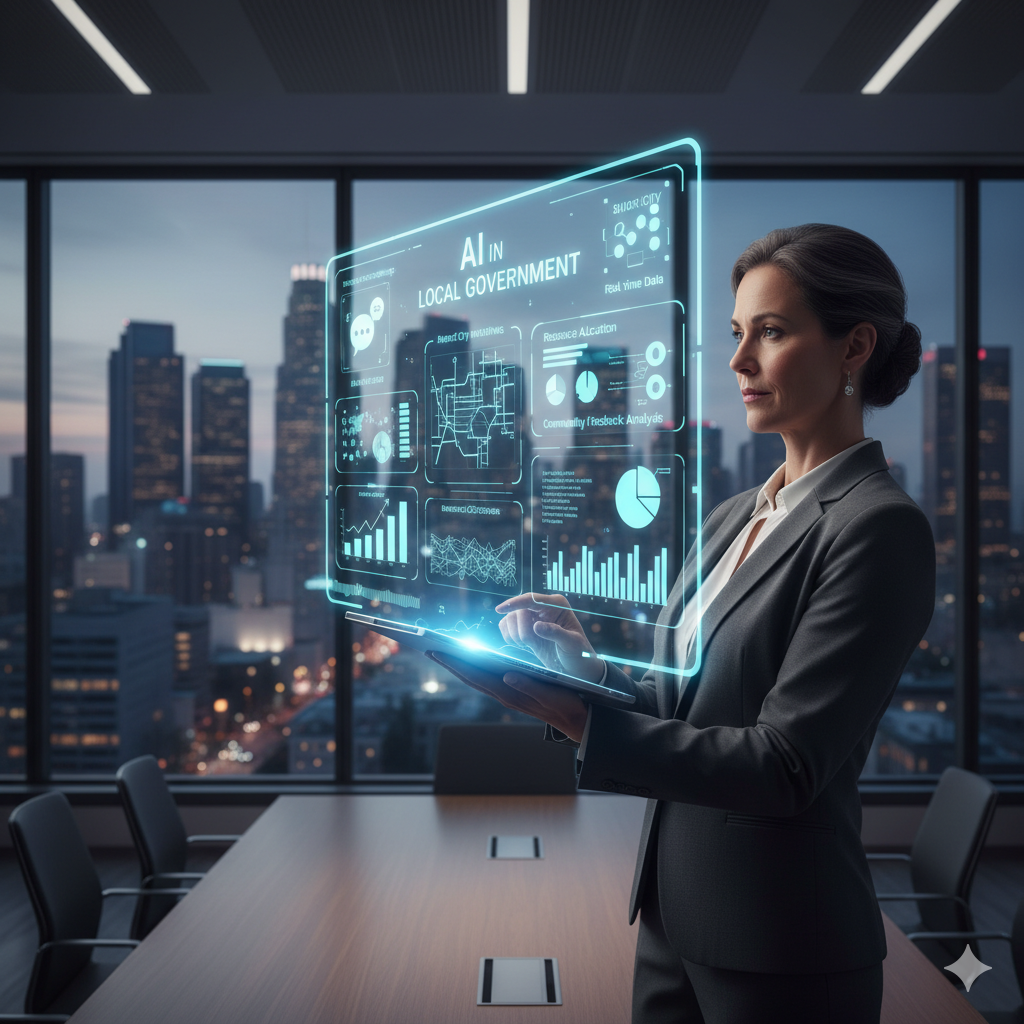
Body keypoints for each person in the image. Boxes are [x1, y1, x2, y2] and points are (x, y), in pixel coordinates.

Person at [457, 224, 936, 1023]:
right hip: (673, 914)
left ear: (854, 347)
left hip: (782, 943)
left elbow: (785, 764)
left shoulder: (878, 528)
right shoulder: (733, 517)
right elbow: (691, 705)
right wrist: (592, 672)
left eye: (772, 332)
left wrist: (583, 722)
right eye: (737, 334)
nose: (739, 361)